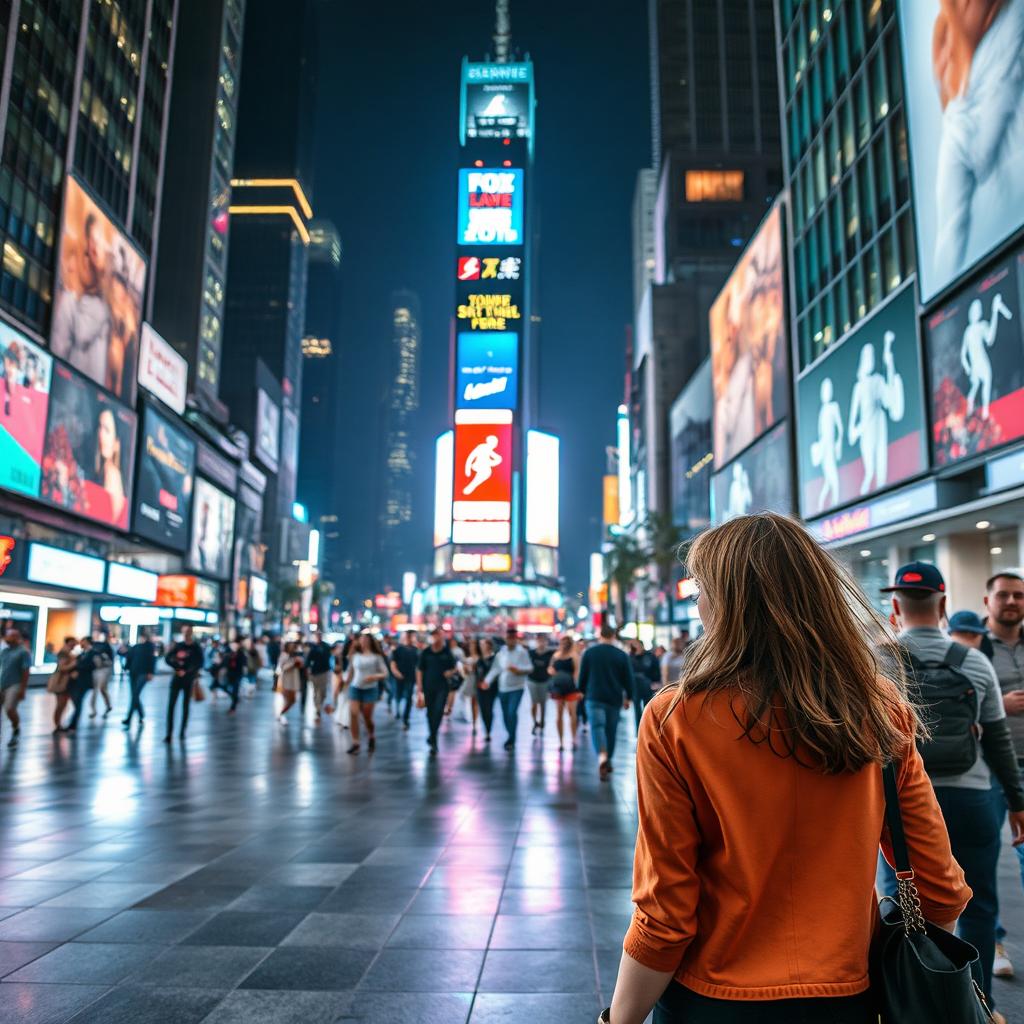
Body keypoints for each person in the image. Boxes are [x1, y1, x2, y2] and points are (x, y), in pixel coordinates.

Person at [606, 513, 974, 1024]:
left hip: (711, 1000)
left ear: (728, 603)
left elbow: (666, 913)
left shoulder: (676, 718)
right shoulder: (879, 708)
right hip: (849, 995)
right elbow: (938, 886)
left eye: (701, 594)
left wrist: (618, 1019)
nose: (700, 607)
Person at [883, 560, 1024, 1014]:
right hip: (970, 795)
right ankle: (978, 1005)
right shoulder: (975, 661)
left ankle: (908, 1004)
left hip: (898, 805)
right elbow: (999, 741)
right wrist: (1018, 805)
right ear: (944, 605)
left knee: (902, 909)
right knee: (979, 902)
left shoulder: (874, 660)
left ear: (894, 607)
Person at [980, 569, 1024, 981]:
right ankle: (992, 941)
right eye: (1004, 595)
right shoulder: (974, 647)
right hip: (990, 767)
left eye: (1019, 596)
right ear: (988, 602)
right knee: (986, 857)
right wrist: (1001, 707)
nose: (1012, 602)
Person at [579, 625, 634, 780]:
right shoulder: (621, 655)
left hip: (593, 696)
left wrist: (581, 690)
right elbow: (628, 678)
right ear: (613, 636)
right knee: (611, 730)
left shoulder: (589, 653)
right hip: (613, 698)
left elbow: (583, 676)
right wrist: (629, 697)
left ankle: (602, 755)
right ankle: (608, 759)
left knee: (597, 727)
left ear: (600, 635)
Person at [484, 627, 533, 751]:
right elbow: (496, 668)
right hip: (503, 688)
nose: (510, 640)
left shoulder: (522, 652)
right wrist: (487, 681)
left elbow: (529, 668)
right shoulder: (502, 652)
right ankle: (510, 734)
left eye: (513, 638)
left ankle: (512, 738)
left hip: (517, 687)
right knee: (506, 714)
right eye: (508, 638)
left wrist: (518, 670)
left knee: (512, 712)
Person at [343, 633, 388, 754]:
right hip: (355, 687)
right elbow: (350, 672)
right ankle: (355, 742)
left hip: (370, 689)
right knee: (353, 713)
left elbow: (385, 673)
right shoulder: (355, 656)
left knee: (367, 717)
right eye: (361, 640)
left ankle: (371, 735)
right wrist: (344, 684)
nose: (363, 642)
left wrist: (374, 677)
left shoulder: (376, 657)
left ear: (370, 642)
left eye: (365, 640)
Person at [417, 627, 459, 756]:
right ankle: (433, 736)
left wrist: (450, 672)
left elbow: (455, 668)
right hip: (428, 686)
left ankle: (433, 738)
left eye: (440, 636)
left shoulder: (447, 652)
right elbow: (419, 670)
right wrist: (419, 688)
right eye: (435, 636)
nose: (437, 638)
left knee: (439, 711)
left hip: (442, 687)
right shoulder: (426, 652)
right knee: (430, 713)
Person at [164, 625, 203, 743]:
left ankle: (182, 732)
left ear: (191, 632)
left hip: (188, 679)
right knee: (171, 706)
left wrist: (187, 671)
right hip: (176, 679)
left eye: (188, 631)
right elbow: (167, 658)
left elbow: (199, 662)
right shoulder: (178, 645)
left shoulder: (196, 647)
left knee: (185, 706)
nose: (186, 633)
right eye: (184, 631)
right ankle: (169, 734)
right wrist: (177, 668)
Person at [548, 635, 581, 751]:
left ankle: (573, 738)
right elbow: (550, 669)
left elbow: (577, 673)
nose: (564, 645)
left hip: (571, 688)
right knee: (559, 715)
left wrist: (577, 688)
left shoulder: (574, 656)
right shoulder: (556, 656)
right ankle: (561, 741)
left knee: (572, 714)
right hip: (558, 688)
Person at [0, 628, 30, 747]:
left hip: (15, 684)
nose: (7, 638)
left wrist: (23, 689)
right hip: (2, 683)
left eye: (10, 636)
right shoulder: (4, 651)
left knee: (9, 708)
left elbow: (26, 671)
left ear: (17, 637)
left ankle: (16, 728)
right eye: (7, 636)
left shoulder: (23, 652)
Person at [122, 629, 156, 728]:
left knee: (135, 695)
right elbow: (129, 657)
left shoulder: (149, 647)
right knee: (134, 695)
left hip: (143, 673)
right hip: (133, 672)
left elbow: (152, 660)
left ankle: (129, 718)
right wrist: (126, 668)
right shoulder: (136, 647)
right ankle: (141, 714)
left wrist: (151, 672)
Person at [65, 636, 95, 734]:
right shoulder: (83, 653)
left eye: (82, 641)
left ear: (86, 642)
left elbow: (89, 666)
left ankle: (73, 724)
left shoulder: (91, 653)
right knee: (77, 702)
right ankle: (72, 723)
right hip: (78, 681)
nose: (80, 643)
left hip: (83, 682)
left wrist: (77, 666)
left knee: (78, 702)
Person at [390, 631, 420, 731]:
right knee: (398, 695)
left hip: (411, 678)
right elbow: (393, 663)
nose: (409, 638)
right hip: (399, 677)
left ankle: (405, 719)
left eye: (411, 636)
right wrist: (396, 672)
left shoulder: (416, 650)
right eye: (408, 636)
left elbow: (418, 667)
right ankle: (397, 710)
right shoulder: (398, 649)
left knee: (408, 698)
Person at [628, 639, 660, 732]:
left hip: (647, 685)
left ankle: (648, 729)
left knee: (648, 708)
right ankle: (639, 730)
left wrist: (656, 681)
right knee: (637, 709)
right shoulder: (630, 657)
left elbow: (655, 669)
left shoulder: (649, 656)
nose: (636, 647)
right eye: (634, 645)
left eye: (637, 645)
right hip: (635, 686)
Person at [48, 637, 77, 734]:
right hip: (61, 681)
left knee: (62, 704)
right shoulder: (64, 653)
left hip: (64, 681)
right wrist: (74, 664)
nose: (75, 644)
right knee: (60, 704)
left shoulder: (67, 652)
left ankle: (59, 724)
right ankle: (57, 725)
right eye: (73, 642)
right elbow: (62, 667)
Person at [526, 634, 553, 735]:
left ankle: (542, 721)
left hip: (544, 681)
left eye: (543, 641)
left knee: (543, 703)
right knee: (534, 703)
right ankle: (534, 722)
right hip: (532, 680)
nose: (541, 643)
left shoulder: (549, 654)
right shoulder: (531, 653)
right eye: (539, 641)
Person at [305, 630, 333, 724]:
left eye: (319, 635)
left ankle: (319, 705)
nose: (318, 637)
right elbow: (308, 659)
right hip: (315, 672)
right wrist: (308, 669)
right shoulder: (313, 647)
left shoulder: (326, 646)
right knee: (316, 691)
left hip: (324, 672)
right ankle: (317, 708)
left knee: (323, 691)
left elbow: (330, 656)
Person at [475, 637, 498, 743]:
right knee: (483, 710)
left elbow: (496, 673)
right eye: (481, 644)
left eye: (483, 644)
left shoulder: (495, 659)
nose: (482, 646)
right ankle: (486, 729)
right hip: (479, 688)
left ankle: (488, 730)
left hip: (491, 688)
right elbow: (476, 673)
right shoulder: (479, 659)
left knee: (489, 709)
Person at [276, 640, 303, 723]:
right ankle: (282, 714)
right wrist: (292, 664)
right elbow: (282, 668)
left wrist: (299, 663)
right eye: (290, 646)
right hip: (286, 680)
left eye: (293, 646)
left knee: (293, 700)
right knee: (287, 699)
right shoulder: (284, 655)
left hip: (294, 680)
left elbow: (300, 666)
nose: (292, 648)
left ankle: (282, 713)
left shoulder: (295, 656)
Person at [458, 637, 481, 735]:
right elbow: (464, 673)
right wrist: (465, 669)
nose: (472, 646)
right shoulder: (467, 658)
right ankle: (474, 723)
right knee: (473, 702)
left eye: (474, 644)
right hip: (470, 681)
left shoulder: (480, 657)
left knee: (476, 703)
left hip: (479, 681)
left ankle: (476, 722)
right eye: (471, 644)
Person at [89, 631, 115, 718]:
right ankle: (94, 710)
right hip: (96, 670)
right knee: (96, 690)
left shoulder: (105, 646)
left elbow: (110, 660)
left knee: (102, 689)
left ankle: (107, 706)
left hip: (104, 669)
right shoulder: (93, 645)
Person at [223, 638, 246, 715]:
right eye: (233, 645)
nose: (234, 646)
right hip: (229, 674)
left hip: (238, 674)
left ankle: (233, 707)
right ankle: (235, 698)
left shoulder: (241, 653)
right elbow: (224, 662)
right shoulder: (227, 652)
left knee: (235, 690)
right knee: (225, 687)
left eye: (236, 645)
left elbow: (244, 663)